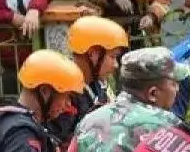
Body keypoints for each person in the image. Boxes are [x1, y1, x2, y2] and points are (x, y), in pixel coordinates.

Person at [48, 15, 130, 144]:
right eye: (113, 56)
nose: (116, 65)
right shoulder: (64, 92)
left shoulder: (97, 84)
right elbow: (58, 143)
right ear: (93, 54)